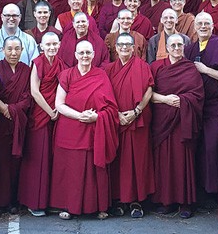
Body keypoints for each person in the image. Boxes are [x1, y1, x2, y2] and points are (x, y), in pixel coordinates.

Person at [49, 40, 119, 220]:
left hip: (95, 129)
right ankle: (69, 206)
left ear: (94, 54)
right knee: (71, 170)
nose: (85, 56)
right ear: (75, 55)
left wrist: (97, 117)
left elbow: (111, 107)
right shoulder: (67, 75)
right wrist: (79, 116)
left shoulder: (101, 75)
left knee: (94, 169)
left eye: (88, 53)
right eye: (81, 53)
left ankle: (98, 206)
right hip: (70, 128)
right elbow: (59, 104)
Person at [150, 34, 204, 219]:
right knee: (163, 161)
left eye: (179, 45)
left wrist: (182, 100)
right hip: (162, 121)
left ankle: (185, 202)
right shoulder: (156, 67)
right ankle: (166, 201)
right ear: (167, 47)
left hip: (183, 120)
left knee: (182, 161)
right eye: (172, 45)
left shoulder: (190, 68)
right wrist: (165, 99)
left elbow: (198, 95)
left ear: (184, 46)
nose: (176, 48)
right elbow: (148, 93)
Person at [184, 12, 218, 197]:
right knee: (197, 147)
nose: (203, 26)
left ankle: (216, 191)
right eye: (200, 23)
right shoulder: (190, 49)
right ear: (195, 27)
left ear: (212, 26)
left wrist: (207, 71)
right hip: (196, 106)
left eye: (207, 23)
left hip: (215, 106)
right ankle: (200, 190)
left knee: (212, 147)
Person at [104, 33, 155, 218]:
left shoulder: (142, 66)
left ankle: (136, 200)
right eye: (121, 45)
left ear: (134, 48)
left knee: (137, 161)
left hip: (137, 120)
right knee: (118, 160)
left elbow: (150, 88)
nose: (124, 48)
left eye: (128, 45)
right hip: (116, 121)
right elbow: (104, 94)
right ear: (116, 48)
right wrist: (117, 114)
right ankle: (118, 200)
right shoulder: (109, 69)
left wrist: (137, 110)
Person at [19, 32, 66, 217]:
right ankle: (34, 201)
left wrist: (59, 109)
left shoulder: (61, 63)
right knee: (39, 158)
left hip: (56, 114)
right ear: (41, 46)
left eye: (55, 44)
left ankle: (49, 200)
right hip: (42, 115)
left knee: (52, 158)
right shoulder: (37, 63)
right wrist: (50, 111)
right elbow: (34, 91)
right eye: (48, 44)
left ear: (59, 45)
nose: (52, 47)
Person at [0, 36, 32, 215]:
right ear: (3, 50)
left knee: (16, 163)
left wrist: (13, 110)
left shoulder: (27, 70)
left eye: (17, 49)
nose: (13, 53)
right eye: (10, 49)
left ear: (22, 50)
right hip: (0, 122)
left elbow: (29, 96)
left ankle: (13, 200)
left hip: (19, 122)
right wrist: (5, 109)